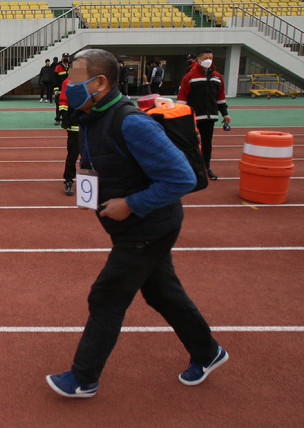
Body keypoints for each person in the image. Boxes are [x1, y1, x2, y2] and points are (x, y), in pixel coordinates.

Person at [46, 49, 228, 398]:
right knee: (163, 292)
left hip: (149, 226)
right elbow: (97, 160)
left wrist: (130, 204)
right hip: (135, 226)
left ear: (99, 82)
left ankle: (84, 378)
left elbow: (182, 177)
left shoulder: (130, 122)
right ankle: (208, 352)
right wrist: (89, 193)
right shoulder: (91, 116)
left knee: (106, 297)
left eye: (73, 78)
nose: (66, 86)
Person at [177, 48, 231, 181]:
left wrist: (225, 113)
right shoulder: (189, 77)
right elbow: (182, 98)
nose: (209, 60)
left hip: (210, 117)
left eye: (211, 58)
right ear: (199, 60)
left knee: (207, 145)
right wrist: (182, 117)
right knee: (191, 145)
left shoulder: (217, 77)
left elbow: (220, 97)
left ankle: (206, 168)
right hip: (193, 118)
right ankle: (191, 169)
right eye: (206, 58)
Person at [58, 77, 80, 196]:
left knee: (89, 157)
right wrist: (65, 118)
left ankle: (86, 183)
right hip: (75, 125)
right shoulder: (68, 82)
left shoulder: (93, 79)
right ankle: (69, 181)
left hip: (89, 125)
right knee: (72, 155)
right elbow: (63, 101)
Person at [53, 52, 70, 125]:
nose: (66, 58)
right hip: (60, 91)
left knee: (69, 106)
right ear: (62, 58)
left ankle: (65, 119)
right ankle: (58, 119)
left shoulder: (72, 67)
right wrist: (56, 89)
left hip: (69, 90)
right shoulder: (58, 68)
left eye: (67, 57)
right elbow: (55, 80)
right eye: (64, 57)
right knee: (59, 106)